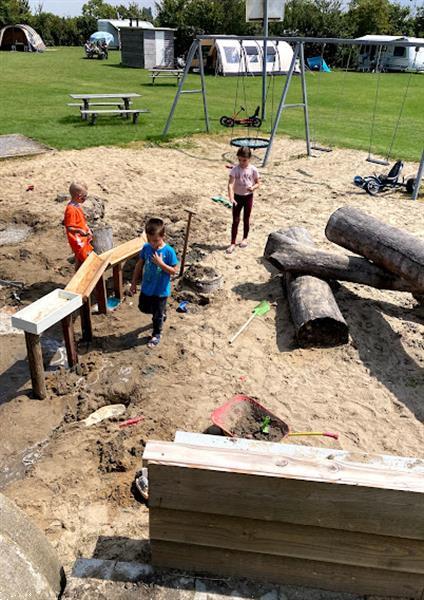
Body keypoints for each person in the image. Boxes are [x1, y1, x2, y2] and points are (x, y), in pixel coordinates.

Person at [130, 218, 179, 349]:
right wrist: (134, 283)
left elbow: (174, 271)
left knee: (156, 317)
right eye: (150, 240)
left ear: (163, 236)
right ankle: (161, 313)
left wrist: (160, 264)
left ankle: (156, 334)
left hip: (161, 291)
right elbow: (139, 266)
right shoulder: (146, 248)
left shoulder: (169, 252)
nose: (153, 244)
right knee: (143, 307)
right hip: (147, 288)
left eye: (156, 241)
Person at [226, 146, 260, 254]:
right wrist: (231, 197)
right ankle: (232, 243)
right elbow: (230, 184)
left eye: (244, 160)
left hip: (248, 196)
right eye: (239, 160)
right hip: (237, 197)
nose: (241, 162)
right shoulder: (235, 169)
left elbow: (258, 182)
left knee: (246, 218)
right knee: (235, 220)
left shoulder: (253, 169)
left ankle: (245, 238)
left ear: (249, 158)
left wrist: (253, 187)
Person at [64, 182, 93, 268]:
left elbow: (82, 221)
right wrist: (80, 230)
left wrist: (87, 229)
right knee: (85, 259)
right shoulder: (71, 209)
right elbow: (69, 227)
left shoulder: (77, 206)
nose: (86, 198)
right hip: (77, 239)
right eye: (85, 196)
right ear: (79, 196)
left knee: (80, 259)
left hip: (83, 237)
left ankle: (78, 275)